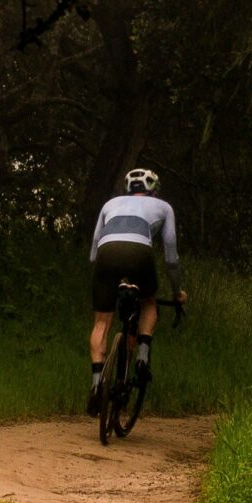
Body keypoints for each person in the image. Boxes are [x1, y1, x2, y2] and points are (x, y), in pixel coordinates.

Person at [89, 165, 181, 414]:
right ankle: (141, 356)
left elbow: (93, 252)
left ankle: (97, 384)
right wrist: (176, 292)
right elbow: (171, 259)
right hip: (140, 253)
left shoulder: (110, 204)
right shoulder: (163, 207)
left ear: (128, 188)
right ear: (153, 190)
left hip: (107, 254)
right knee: (149, 302)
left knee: (101, 323)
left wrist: (111, 276)